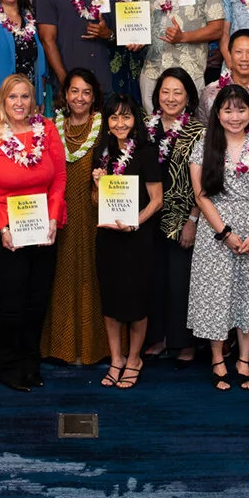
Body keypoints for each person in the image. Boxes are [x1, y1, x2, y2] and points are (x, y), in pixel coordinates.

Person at [0, 74, 68, 392]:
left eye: (25, 97)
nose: (19, 103)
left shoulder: (47, 130)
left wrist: (52, 219)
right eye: (13, 97)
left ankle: (30, 363)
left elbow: (59, 177)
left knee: (36, 302)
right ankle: (9, 366)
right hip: (3, 233)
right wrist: (2, 227)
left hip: (42, 230)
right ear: (2, 101)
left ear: (33, 100)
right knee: (10, 304)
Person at [188, 84, 249, 391]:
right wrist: (225, 233)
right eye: (228, 110)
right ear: (218, 113)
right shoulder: (203, 144)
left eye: (241, 109)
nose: (235, 116)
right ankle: (216, 357)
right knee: (216, 294)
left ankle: (244, 359)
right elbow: (201, 196)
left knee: (248, 294)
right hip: (215, 229)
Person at [92, 94, 164, 389]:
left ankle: (134, 359)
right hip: (108, 238)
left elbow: (157, 201)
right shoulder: (102, 153)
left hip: (138, 239)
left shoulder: (146, 151)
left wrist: (135, 222)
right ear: (107, 123)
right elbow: (96, 201)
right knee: (111, 302)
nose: (120, 123)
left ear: (135, 120)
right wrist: (98, 185)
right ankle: (116, 358)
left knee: (136, 302)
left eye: (126, 117)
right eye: (114, 117)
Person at [40, 68, 110, 366]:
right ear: (65, 95)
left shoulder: (106, 125)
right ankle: (60, 346)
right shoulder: (51, 126)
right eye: (74, 91)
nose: (79, 98)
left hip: (95, 212)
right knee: (61, 273)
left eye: (86, 92)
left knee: (94, 273)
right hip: (60, 213)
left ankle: (97, 348)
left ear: (94, 97)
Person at [144, 68, 206, 369]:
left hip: (183, 218)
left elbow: (206, 181)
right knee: (153, 278)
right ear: (157, 95)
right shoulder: (144, 127)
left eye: (177, 93)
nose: (170, 98)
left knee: (180, 282)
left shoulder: (198, 132)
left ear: (188, 98)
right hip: (147, 217)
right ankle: (158, 337)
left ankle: (184, 342)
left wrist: (193, 219)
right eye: (165, 92)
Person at [139, 0, 224, 114]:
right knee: (154, 129)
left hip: (190, 71)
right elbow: (140, 23)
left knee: (189, 128)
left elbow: (217, 28)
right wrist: (135, 40)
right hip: (154, 70)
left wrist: (183, 37)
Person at [201, 28, 249, 125]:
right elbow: (203, 131)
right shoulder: (210, 92)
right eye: (238, 52)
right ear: (229, 55)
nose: (244, 58)